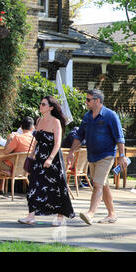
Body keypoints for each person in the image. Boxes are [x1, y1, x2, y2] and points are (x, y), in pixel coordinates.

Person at [66, 89, 127, 225]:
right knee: (103, 184)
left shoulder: (110, 116)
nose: (86, 102)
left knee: (97, 184)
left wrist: (122, 156)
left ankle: (90, 214)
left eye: (88, 100)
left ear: (97, 100)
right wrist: (71, 152)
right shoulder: (87, 117)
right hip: (92, 156)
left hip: (106, 155)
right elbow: (79, 136)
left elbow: (119, 138)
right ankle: (112, 214)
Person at [18, 96, 75, 226]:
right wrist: (32, 155)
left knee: (57, 188)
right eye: (40, 104)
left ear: (51, 107)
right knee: (33, 186)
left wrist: (49, 159)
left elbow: (57, 143)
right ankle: (31, 216)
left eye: (43, 104)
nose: (40, 106)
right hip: (38, 159)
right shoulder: (38, 121)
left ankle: (60, 217)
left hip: (53, 160)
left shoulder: (56, 122)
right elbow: (36, 142)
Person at [0, 116, 35, 194]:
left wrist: (9, 139)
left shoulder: (18, 138)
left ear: (21, 127)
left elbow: (6, 152)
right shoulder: (35, 139)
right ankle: (1, 187)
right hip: (29, 167)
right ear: (32, 128)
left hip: (14, 167)